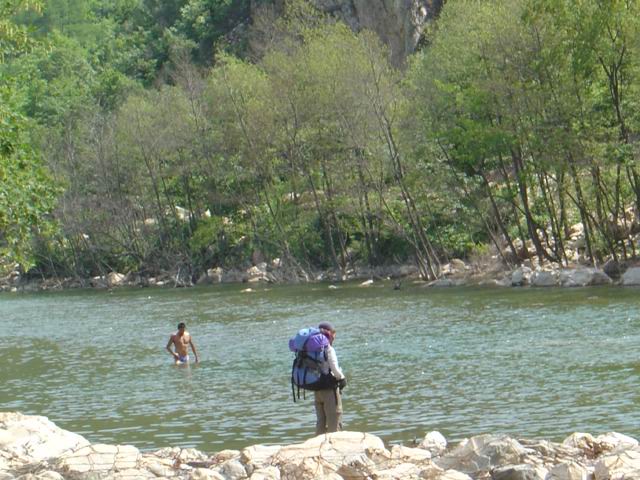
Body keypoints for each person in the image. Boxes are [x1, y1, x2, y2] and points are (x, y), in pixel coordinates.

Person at [314, 321, 347, 435]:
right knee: (334, 423)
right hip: (329, 391)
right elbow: (335, 369)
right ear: (330, 334)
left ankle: (316, 444)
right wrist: (342, 378)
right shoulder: (328, 349)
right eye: (334, 333)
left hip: (317, 390)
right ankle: (334, 445)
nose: (334, 337)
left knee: (321, 423)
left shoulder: (313, 349)